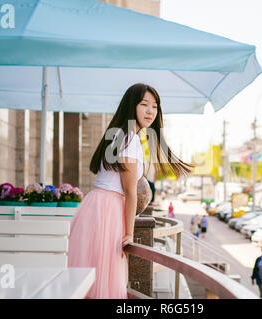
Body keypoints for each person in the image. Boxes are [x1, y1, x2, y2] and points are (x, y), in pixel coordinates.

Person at [67, 83, 193, 299]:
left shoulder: (117, 134)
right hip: (108, 210)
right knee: (105, 280)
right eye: (144, 104)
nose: (150, 111)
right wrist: (129, 233)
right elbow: (130, 191)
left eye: (154, 106)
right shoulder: (130, 139)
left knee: (91, 278)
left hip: (96, 206)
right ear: (131, 106)